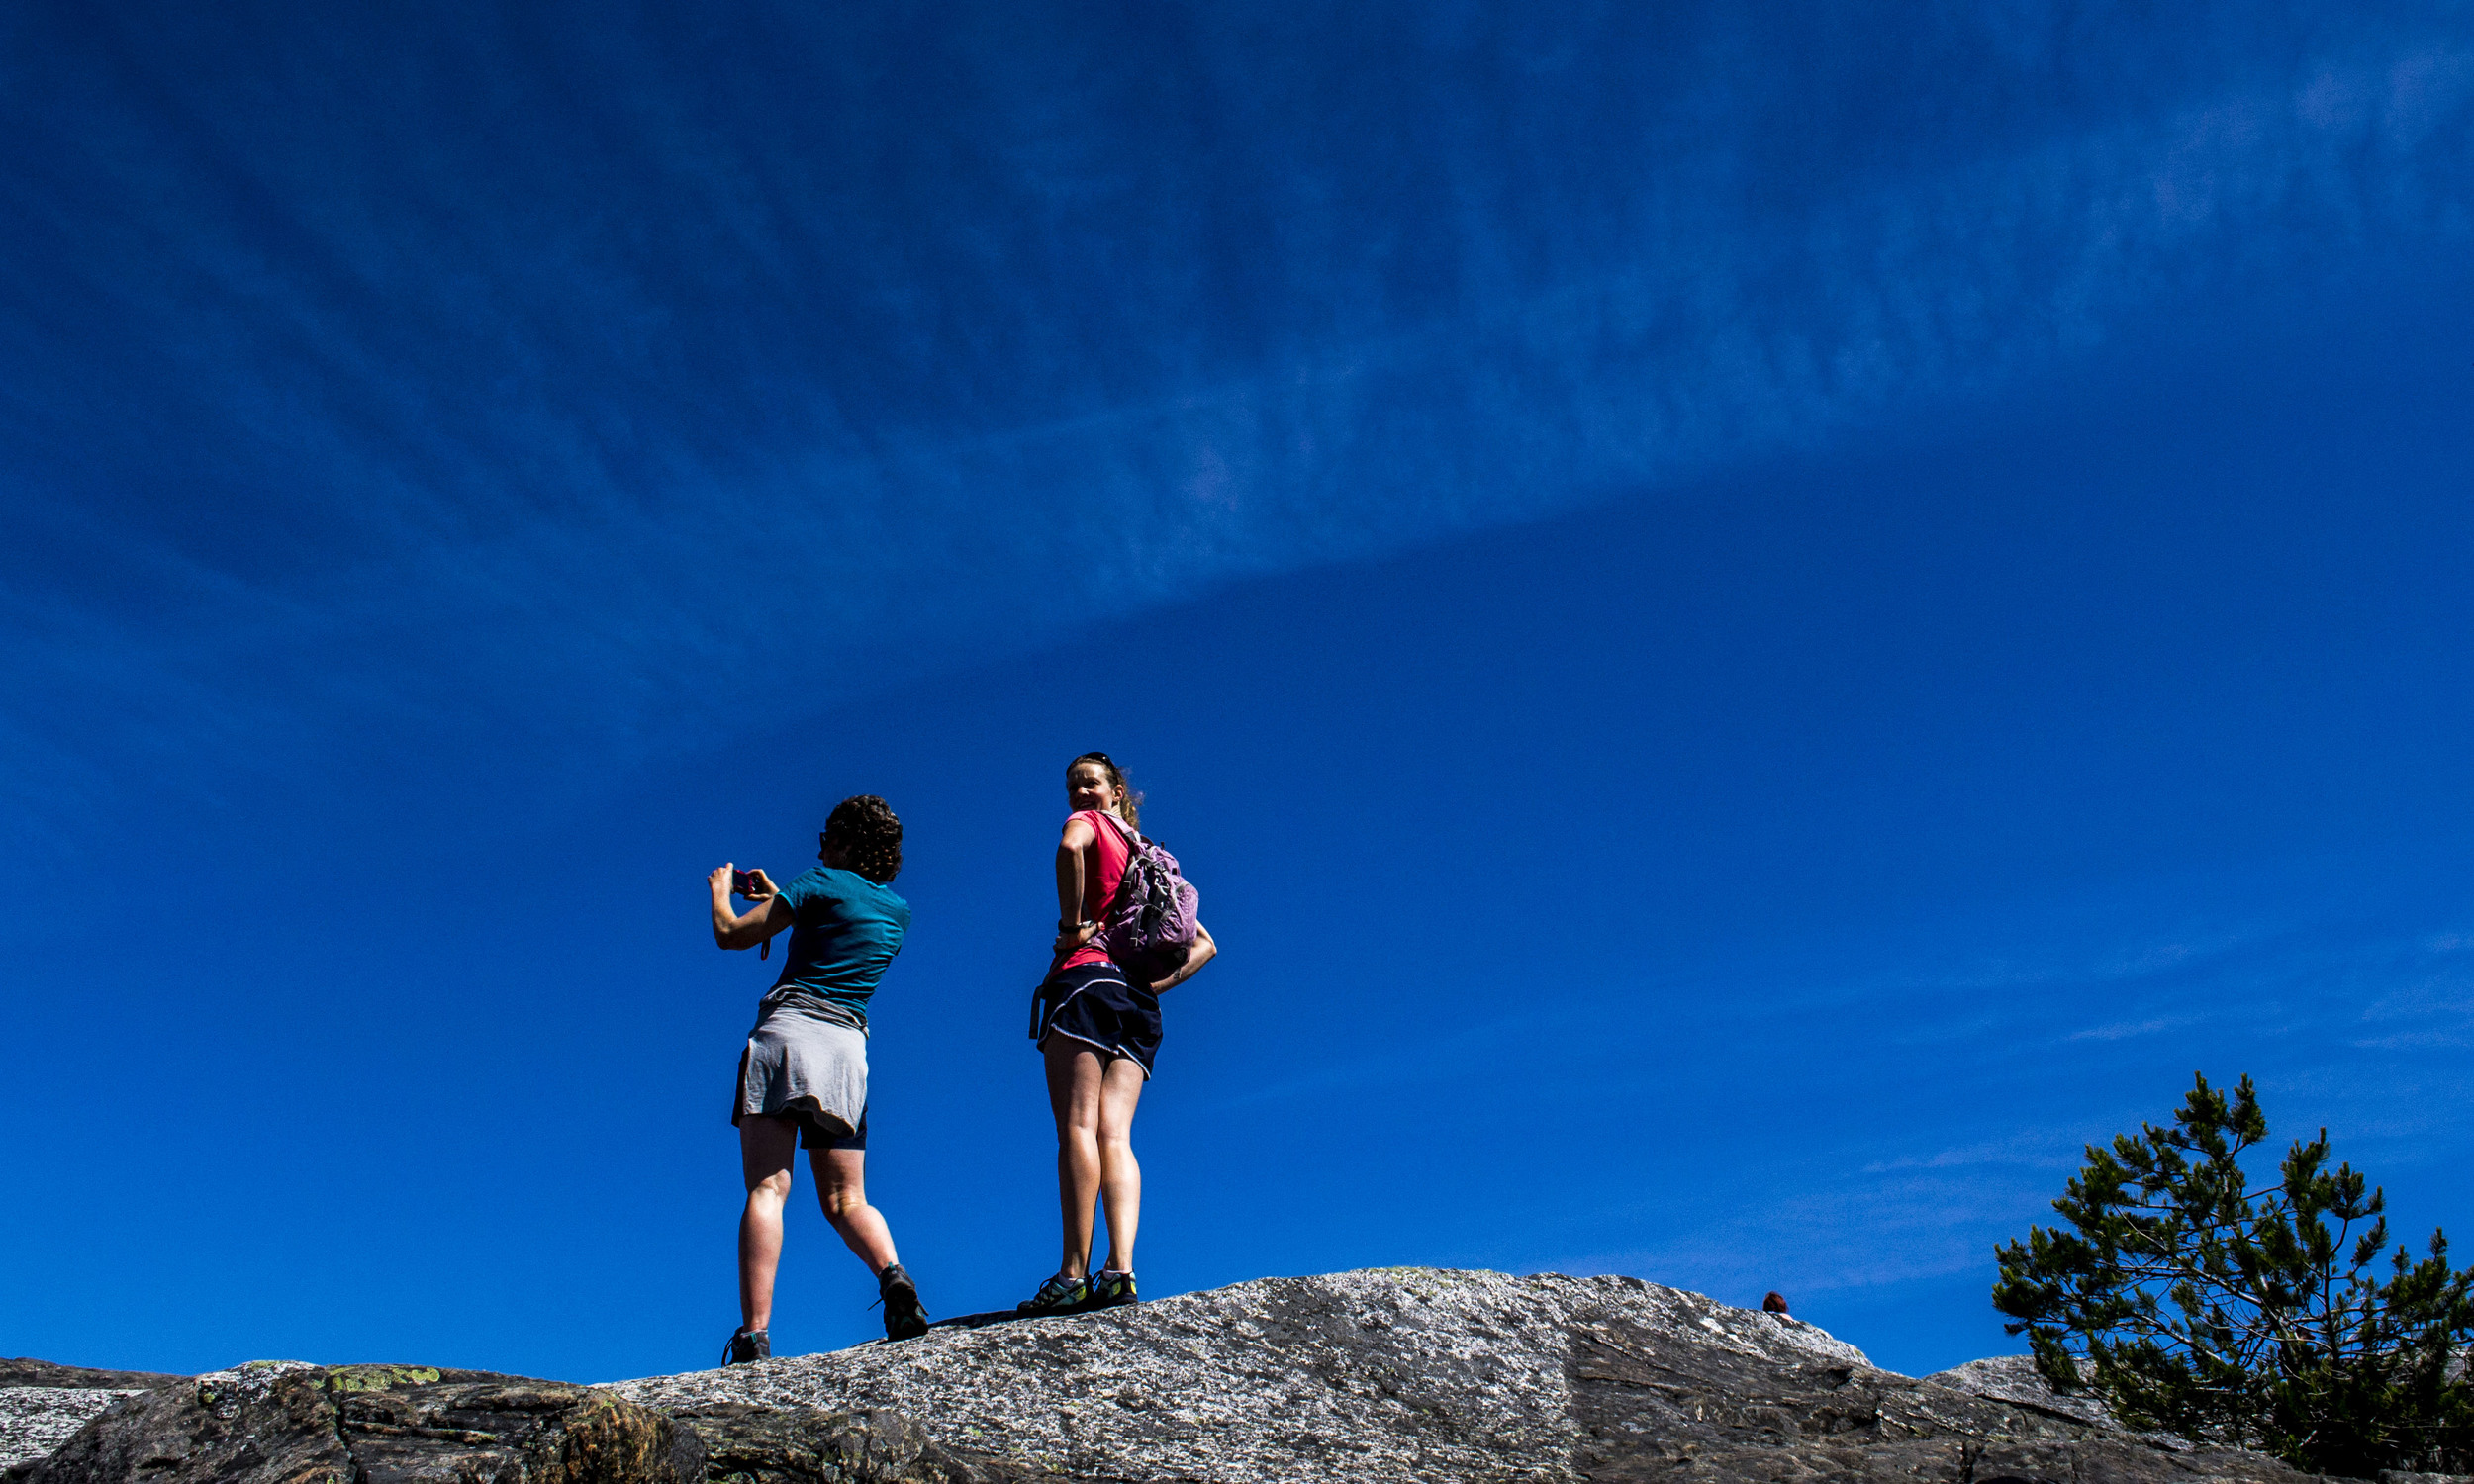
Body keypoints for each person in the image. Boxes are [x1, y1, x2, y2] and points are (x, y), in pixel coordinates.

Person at [707, 793, 928, 1362]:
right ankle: (893, 1276)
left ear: (848, 842)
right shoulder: (896, 911)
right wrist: (782, 895)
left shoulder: (818, 881)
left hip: (787, 1034)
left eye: (828, 836)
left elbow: (732, 934)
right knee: (847, 1198)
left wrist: (720, 890)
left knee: (767, 1189)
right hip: (845, 1051)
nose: (821, 845)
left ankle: (754, 1333)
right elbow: (835, 921)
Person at [1018, 752, 1216, 1315]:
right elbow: (1205, 942)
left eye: (1090, 783)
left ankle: (1072, 1274)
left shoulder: (1093, 827)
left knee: (1078, 1126)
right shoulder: (1153, 857)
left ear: (1115, 791)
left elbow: (1069, 848)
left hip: (1085, 982)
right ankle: (1120, 1271)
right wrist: (1157, 986)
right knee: (1117, 1136)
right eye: (1072, 786)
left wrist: (1069, 928)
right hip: (1136, 1003)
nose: (1080, 793)